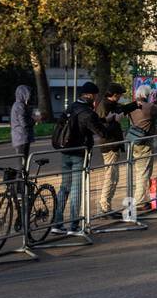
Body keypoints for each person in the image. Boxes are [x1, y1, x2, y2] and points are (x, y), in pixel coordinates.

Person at [55, 82, 108, 235]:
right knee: (76, 189)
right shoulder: (87, 112)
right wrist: (108, 122)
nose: (96, 98)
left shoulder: (70, 108)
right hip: (79, 153)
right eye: (96, 95)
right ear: (90, 95)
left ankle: (57, 224)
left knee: (64, 187)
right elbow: (101, 132)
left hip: (65, 151)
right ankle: (73, 225)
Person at [94, 84, 135, 217]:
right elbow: (102, 130)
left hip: (113, 145)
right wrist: (116, 121)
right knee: (111, 177)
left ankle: (106, 206)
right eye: (120, 95)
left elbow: (122, 108)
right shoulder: (104, 106)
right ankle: (105, 207)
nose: (121, 97)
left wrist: (136, 104)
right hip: (109, 145)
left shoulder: (110, 104)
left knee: (113, 177)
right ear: (115, 95)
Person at [126, 85, 157, 213]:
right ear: (148, 95)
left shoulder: (132, 106)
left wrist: (154, 101)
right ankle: (140, 202)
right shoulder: (150, 107)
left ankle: (141, 199)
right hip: (145, 143)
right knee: (144, 173)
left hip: (134, 141)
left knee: (139, 171)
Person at [10, 84, 37, 170]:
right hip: (22, 138)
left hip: (19, 137)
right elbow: (24, 123)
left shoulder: (17, 105)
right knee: (22, 164)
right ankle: (20, 182)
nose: (29, 97)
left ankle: (21, 181)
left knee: (22, 163)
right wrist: (35, 120)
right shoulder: (20, 106)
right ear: (23, 94)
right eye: (28, 94)